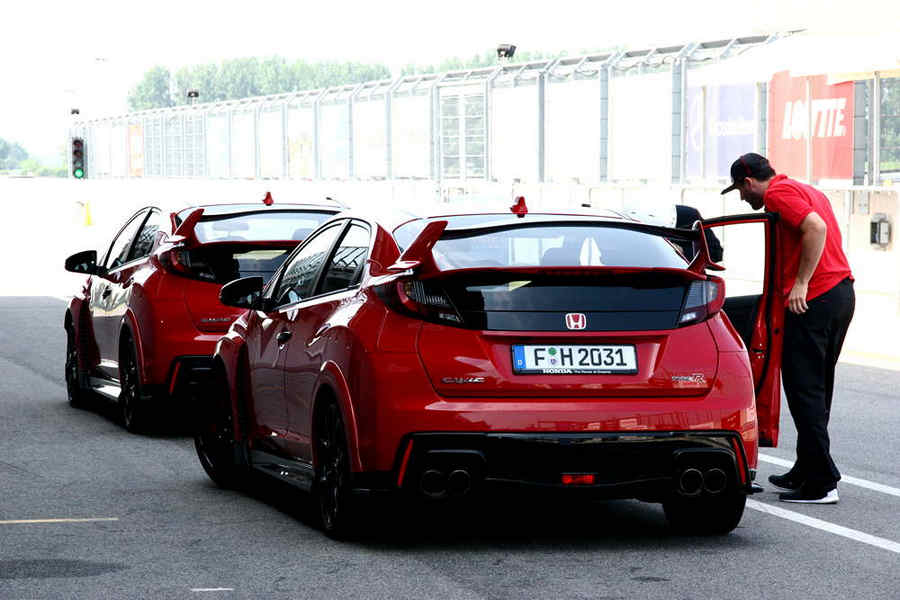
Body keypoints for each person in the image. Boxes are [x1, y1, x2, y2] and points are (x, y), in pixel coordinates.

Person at [721, 153, 854, 504]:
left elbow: (816, 229)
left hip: (814, 299)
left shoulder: (777, 195)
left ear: (749, 182)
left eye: (740, 190)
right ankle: (806, 467)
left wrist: (801, 283)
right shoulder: (808, 190)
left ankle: (822, 483)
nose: (742, 198)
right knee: (817, 388)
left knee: (804, 389)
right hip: (840, 295)